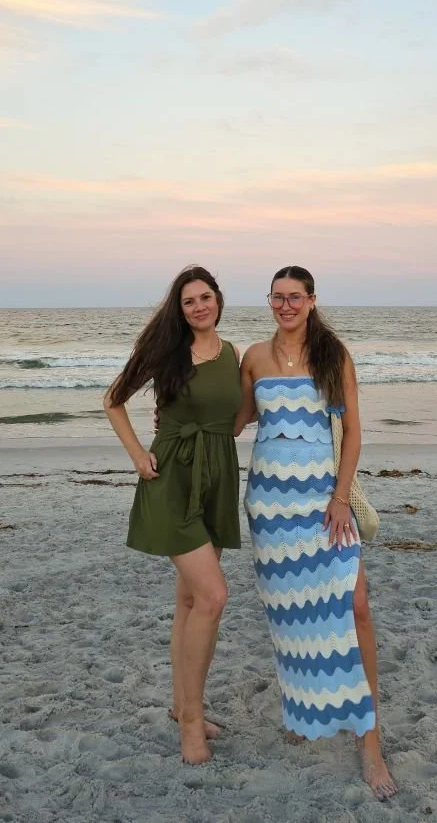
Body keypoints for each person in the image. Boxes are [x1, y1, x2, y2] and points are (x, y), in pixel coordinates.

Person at [235, 265, 398, 800]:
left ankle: (370, 741)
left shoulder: (333, 355)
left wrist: (339, 497)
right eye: (277, 297)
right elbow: (235, 422)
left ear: (311, 300)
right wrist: (178, 409)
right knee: (290, 615)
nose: (285, 305)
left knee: (356, 606)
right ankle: (306, 710)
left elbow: (353, 432)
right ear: (269, 301)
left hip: (325, 503)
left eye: (295, 297)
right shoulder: (254, 358)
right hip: (270, 505)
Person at [103, 266, 242, 765]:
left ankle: (183, 705)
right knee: (214, 596)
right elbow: (113, 400)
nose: (199, 306)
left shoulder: (231, 353)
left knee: (189, 599)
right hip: (173, 478)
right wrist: (138, 455)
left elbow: (235, 421)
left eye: (206, 297)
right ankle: (190, 723)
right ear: (179, 310)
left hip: (217, 477)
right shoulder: (167, 351)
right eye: (189, 301)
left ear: (218, 300)